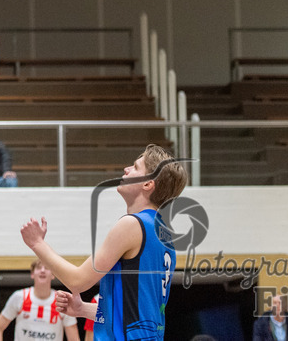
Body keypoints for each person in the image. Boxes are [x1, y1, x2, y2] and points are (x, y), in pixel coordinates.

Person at [31, 145, 188, 341]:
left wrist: (37, 243)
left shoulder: (132, 225)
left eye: (135, 167)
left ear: (148, 184)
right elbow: (136, 313)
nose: (126, 169)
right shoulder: (165, 236)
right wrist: (83, 309)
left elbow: (78, 281)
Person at [0, 260, 79, 341]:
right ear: (32, 274)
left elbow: (74, 339)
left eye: (47, 267)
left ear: (53, 275)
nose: (43, 270)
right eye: (39, 267)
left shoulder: (62, 300)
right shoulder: (19, 297)